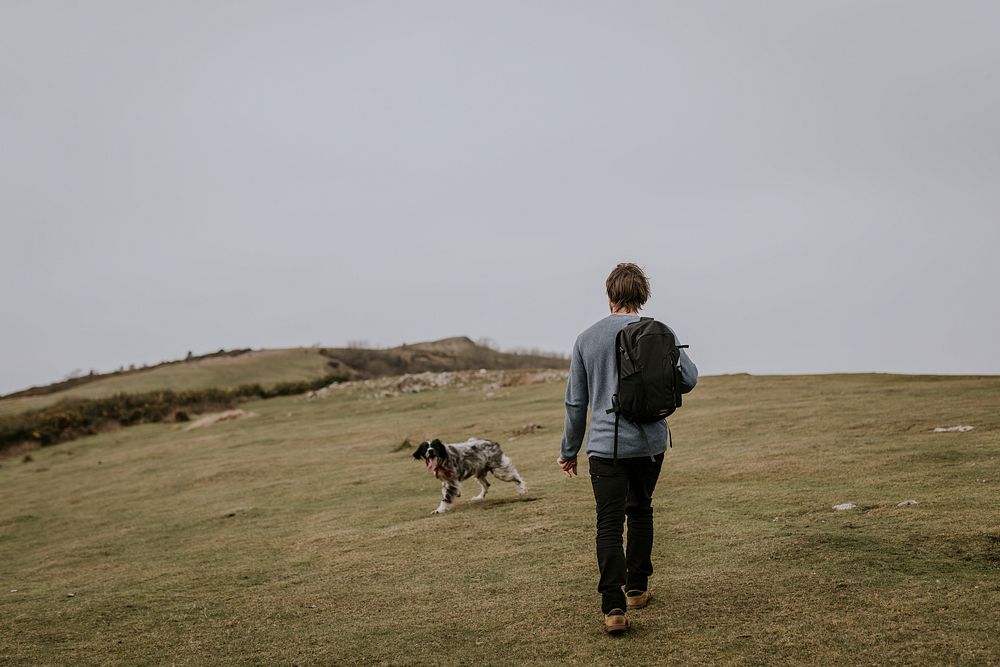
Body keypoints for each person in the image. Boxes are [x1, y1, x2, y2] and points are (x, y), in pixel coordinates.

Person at [557, 262, 698, 635]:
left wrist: (569, 450)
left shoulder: (587, 339)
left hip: (605, 448)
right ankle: (637, 588)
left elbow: (576, 402)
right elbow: (689, 378)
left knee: (608, 522)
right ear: (643, 295)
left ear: (610, 296)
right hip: (651, 444)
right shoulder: (660, 331)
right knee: (640, 511)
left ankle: (614, 607)